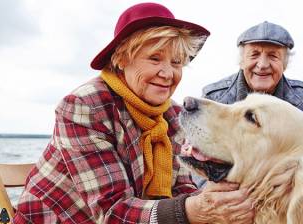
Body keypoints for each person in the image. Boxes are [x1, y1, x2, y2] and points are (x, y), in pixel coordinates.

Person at [13, 2, 255, 224]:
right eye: (155, 58)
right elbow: (112, 212)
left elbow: (181, 189)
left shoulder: (173, 114)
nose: (168, 73)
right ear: (121, 58)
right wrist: (193, 209)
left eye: (177, 62)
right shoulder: (83, 106)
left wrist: (212, 202)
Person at [202, 21, 303, 163]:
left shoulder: (301, 99)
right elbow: (196, 153)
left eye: (273, 56)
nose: (263, 65)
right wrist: (209, 185)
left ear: (284, 64)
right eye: (254, 54)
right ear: (241, 61)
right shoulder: (215, 97)